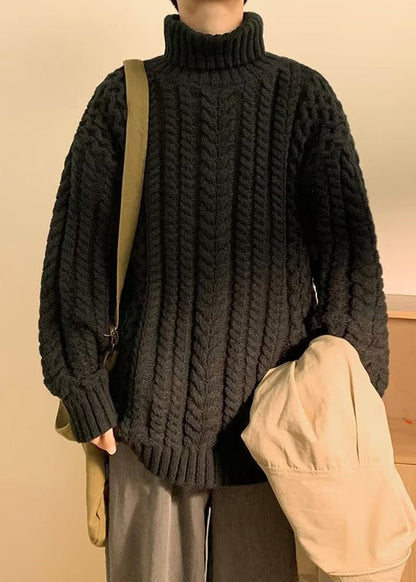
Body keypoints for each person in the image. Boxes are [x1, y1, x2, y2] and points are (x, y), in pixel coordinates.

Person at [38, 0, 390, 580]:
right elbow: (77, 261)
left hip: (278, 440)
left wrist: (343, 404)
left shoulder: (303, 99)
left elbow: (352, 271)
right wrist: (83, 388)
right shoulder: (122, 99)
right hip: (142, 428)